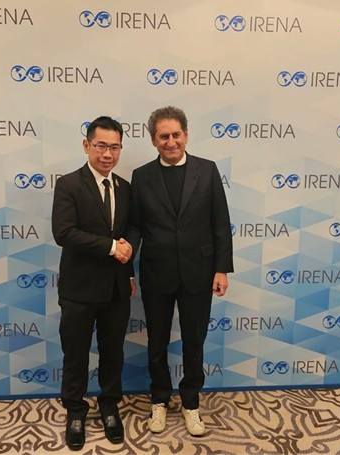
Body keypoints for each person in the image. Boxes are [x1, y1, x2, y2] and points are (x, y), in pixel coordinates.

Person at [128, 106, 233, 436]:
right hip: (156, 273)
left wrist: (222, 269)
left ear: (185, 135)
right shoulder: (141, 176)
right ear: (153, 140)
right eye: (164, 136)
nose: (171, 141)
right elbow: (135, 226)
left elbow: (220, 223)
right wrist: (127, 268)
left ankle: (190, 402)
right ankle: (159, 399)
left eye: (176, 134)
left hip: (199, 272)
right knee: (157, 341)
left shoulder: (207, 170)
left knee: (194, 342)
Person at [52, 116, 135, 451]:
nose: (107, 154)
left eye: (114, 147)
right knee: (75, 353)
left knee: (113, 352)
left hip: (117, 288)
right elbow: (64, 233)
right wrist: (111, 247)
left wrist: (129, 269)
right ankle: (75, 410)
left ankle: (109, 405)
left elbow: (131, 231)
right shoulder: (69, 184)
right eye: (101, 146)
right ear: (87, 145)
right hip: (79, 289)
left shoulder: (125, 187)